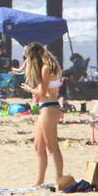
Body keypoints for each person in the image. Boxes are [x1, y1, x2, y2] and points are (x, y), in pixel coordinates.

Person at [17, 43, 64, 187]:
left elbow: (42, 93)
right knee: (38, 145)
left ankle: (59, 179)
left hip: (50, 108)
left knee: (52, 146)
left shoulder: (45, 68)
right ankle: (39, 181)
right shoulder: (45, 66)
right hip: (45, 108)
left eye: (28, 57)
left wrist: (30, 89)